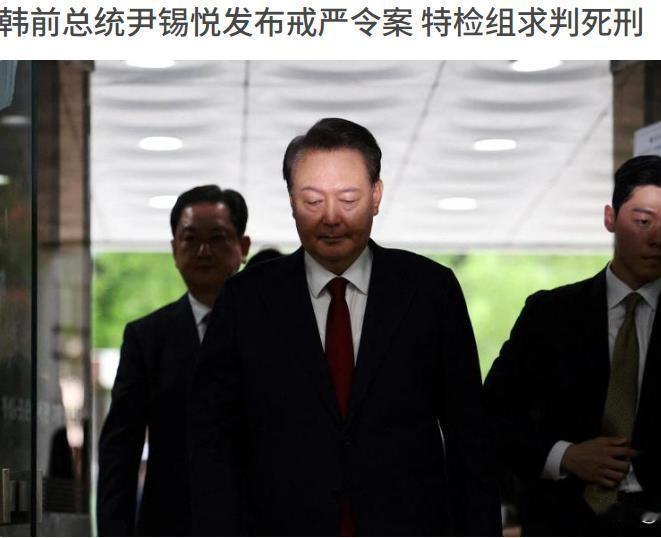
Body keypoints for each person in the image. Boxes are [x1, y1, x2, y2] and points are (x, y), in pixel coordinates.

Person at [189, 118, 501, 536]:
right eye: (312, 201)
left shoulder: (430, 291)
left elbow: (469, 436)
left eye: (348, 199)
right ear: (291, 200)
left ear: (376, 196)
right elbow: (212, 439)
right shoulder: (246, 299)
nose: (331, 218)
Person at [484, 155, 661, 535]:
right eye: (643, 221)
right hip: (565, 519)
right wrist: (565, 455)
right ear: (610, 218)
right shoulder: (550, 314)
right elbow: (492, 415)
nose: (658, 238)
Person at [97, 185, 250, 536]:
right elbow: (120, 450)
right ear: (174, 250)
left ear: (243, 247)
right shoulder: (147, 338)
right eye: (190, 239)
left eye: (217, 238)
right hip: (170, 523)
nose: (203, 251)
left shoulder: (272, 331)